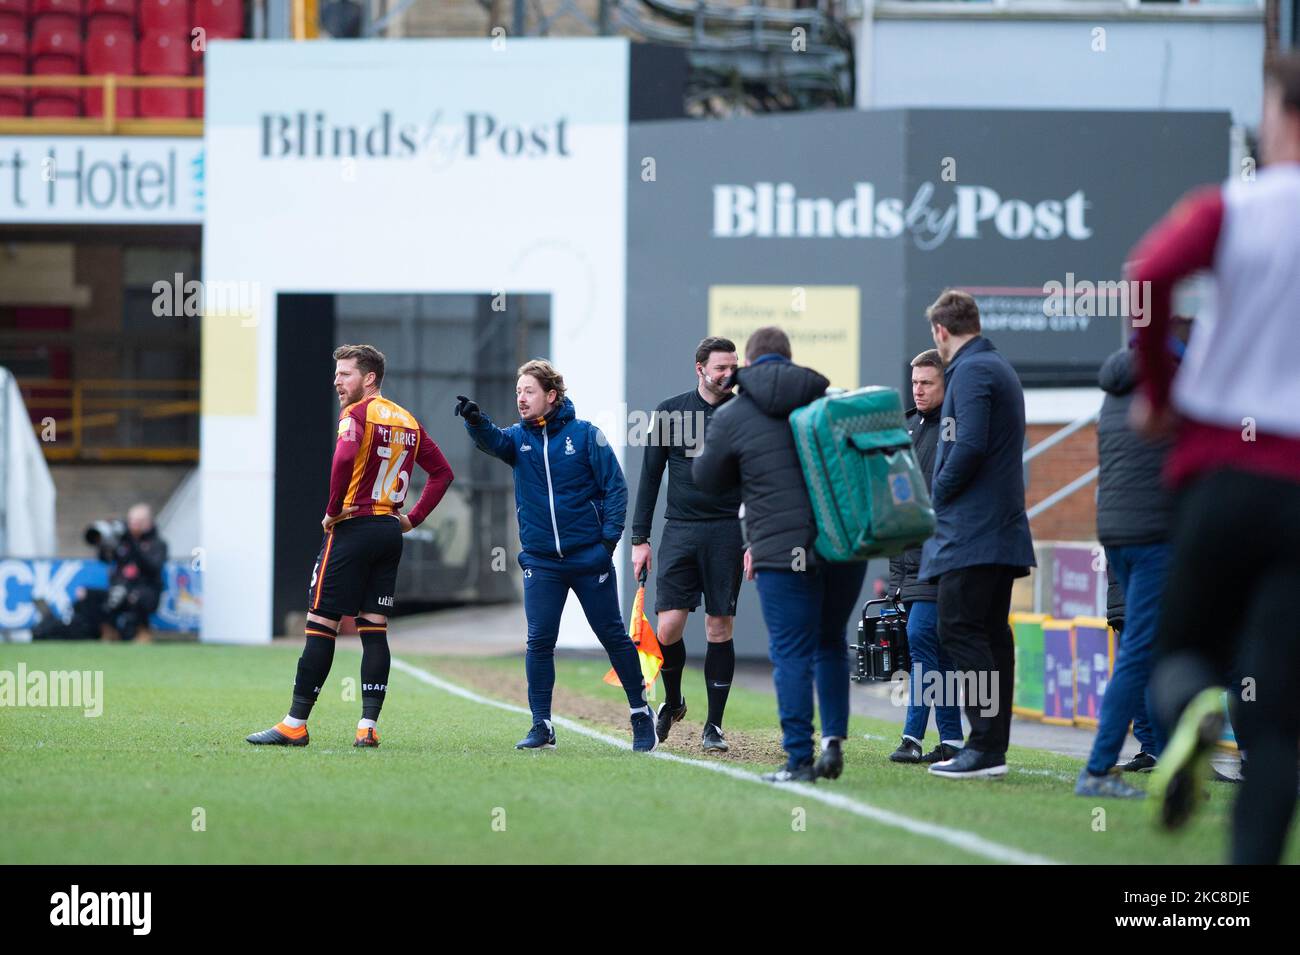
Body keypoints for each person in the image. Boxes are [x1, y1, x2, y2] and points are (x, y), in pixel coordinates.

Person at [1131, 54, 1300, 863]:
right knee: (1280, 725)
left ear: (1280, 114)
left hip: (1220, 470)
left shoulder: (1232, 207)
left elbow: (1147, 275)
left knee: (1182, 649)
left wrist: (1161, 389)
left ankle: (1195, 706)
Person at [247, 344, 454, 748]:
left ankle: (295, 724)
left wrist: (332, 509)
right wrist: (412, 519)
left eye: (345, 374)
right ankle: (367, 726)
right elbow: (443, 473)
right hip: (389, 533)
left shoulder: (356, 415)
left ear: (370, 378)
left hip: (353, 528)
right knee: (374, 630)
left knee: (320, 625)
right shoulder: (408, 421)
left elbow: (344, 458)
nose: (337, 382)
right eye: (337, 374)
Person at [693, 326, 866, 783]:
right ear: (789, 359)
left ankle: (798, 761)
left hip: (781, 549)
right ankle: (831, 745)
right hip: (842, 545)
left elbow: (706, 478)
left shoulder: (734, 414)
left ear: (748, 362)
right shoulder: (826, 399)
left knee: (791, 653)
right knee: (830, 640)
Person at [455, 359, 657, 752]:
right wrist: (475, 421)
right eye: (518, 392)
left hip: (588, 558)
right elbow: (492, 441)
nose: (521, 398)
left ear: (551, 395)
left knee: (612, 635)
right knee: (539, 641)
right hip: (541, 562)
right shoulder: (517, 438)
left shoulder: (585, 436)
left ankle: (639, 712)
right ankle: (542, 724)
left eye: (528, 391)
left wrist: (607, 545)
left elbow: (615, 489)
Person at [919, 290, 1035, 780]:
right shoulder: (993, 366)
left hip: (974, 533)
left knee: (961, 630)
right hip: (995, 531)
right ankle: (989, 748)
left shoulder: (971, 370)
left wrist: (933, 500)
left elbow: (968, 447)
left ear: (941, 332)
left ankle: (984, 747)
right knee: (988, 634)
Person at [1075, 330, 1187, 798]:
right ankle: (1099, 769)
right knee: (1143, 652)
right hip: (1155, 535)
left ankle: (1172, 767)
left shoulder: (1114, 392)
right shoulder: (1172, 386)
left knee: (1151, 650)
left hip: (1117, 532)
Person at [631, 336, 743, 752]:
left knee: (719, 625)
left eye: (734, 366)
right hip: (680, 528)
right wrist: (639, 539)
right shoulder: (670, 412)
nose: (728, 374)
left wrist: (756, 538)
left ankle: (714, 725)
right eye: (720, 367)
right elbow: (650, 478)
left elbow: (758, 479)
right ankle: (674, 699)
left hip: (727, 531)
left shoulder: (744, 414)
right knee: (668, 626)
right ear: (700, 368)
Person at [887, 349, 964, 765]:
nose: (917, 389)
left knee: (920, 640)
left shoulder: (956, 429)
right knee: (939, 650)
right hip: (912, 560)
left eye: (927, 383)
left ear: (945, 385)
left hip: (944, 556)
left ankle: (912, 736)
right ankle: (952, 741)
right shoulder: (905, 426)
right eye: (914, 382)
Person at [100, 504, 168, 642]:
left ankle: (143, 632)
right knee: (106, 597)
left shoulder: (158, 544)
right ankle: (110, 634)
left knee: (137, 597)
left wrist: (133, 544)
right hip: (123, 586)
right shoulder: (122, 542)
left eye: (137, 522)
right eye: (131, 521)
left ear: (147, 523)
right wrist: (105, 541)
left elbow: (153, 568)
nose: (132, 525)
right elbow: (105, 559)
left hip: (148, 590)